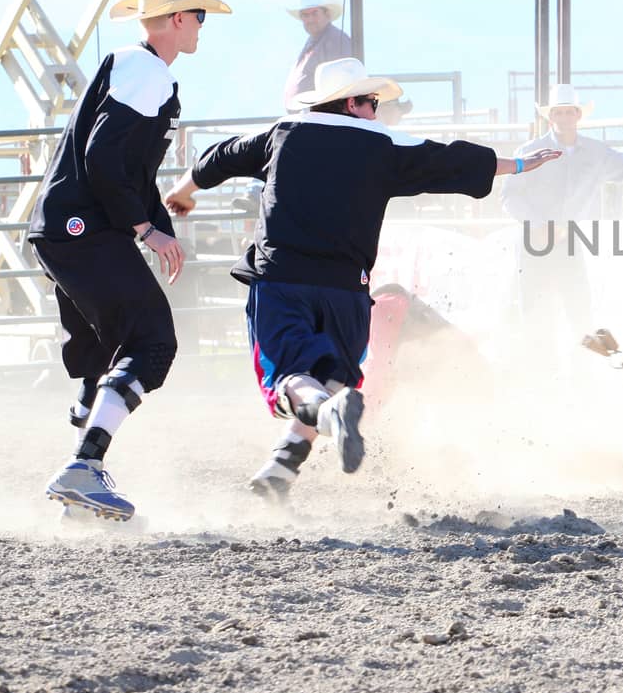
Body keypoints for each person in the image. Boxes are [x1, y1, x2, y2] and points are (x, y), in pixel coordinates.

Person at [163, 58, 560, 501]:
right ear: (352, 103)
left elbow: (221, 156)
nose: (376, 109)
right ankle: (281, 469)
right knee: (333, 378)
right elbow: (447, 161)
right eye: (372, 101)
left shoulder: (283, 134)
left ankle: (318, 426)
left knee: (289, 379)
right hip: (348, 291)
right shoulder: (384, 146)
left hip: (283, 279)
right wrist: (519, 165)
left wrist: (182, 192)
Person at [32, 0, 231, 522]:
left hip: (63, 229)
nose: (201, 25)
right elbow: (102, 159)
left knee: (104, 353)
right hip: (85, 231)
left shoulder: (131, 66)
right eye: (197, 15)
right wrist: (145, 228)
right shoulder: (146, 73)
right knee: (152, 343)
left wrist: (153, 221)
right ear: (174, 19)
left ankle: (78, 493)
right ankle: (84, 469)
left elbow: (123, 166)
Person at [500, 83, 623, 364]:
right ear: (550, 117)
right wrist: (539, 224)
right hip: (534, 242)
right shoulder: (530, 150)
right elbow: (509, 196)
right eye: (559, 113)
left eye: (569, 112)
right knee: (535, 311)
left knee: (578, 308)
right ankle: (540, 372)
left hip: (568, 241)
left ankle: (581, 372)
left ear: (577, 115)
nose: (564, 118)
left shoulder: (594, 152)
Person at [281, 0, 353, 110]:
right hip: (310, 115)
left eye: (314, 13)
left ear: (327, 15)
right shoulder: (314, 40)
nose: (310, 19)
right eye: (305, 15)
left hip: (322, 116)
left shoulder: (335, 39)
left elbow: (339, 85)